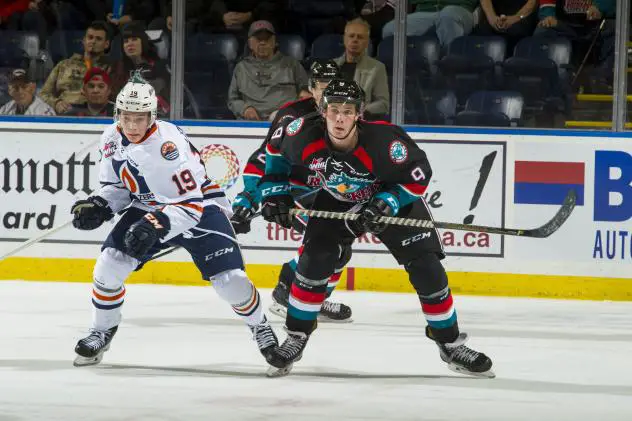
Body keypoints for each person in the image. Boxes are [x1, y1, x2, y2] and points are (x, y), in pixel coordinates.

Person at [259, 79, 494, 378]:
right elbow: (275, 153)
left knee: (427, 268)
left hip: (390, 197)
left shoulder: (386, 142)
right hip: (336, 199)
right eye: (333, 110)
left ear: (359, 114)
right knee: (313, 261)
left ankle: (449, 343)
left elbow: (418, 176)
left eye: (347, 111)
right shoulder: (300, 133)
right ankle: (296, 337)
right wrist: (275, 193)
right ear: (322, 110)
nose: (340, 118)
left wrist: (387, 203)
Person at [70, 73, 278, 367]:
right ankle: (101, 330)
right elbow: (118, 188)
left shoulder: (167, 148)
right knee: (109, 264)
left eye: (139, 118)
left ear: (152, 116)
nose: (131, 125)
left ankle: (261, 327)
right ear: (117, 114)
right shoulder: (111, 137)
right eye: (126, 117)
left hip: (198, 207)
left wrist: (155, 225)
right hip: (149, 208)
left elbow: (189, 205)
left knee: (231, 282)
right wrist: (101, 204)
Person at [230, 59, 353, 323]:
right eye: (323, 86)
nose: (328, 91)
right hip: (291, 195)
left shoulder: (349, 115)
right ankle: (286, 292)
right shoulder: (291, 116)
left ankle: (315, 297)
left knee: (342, 247)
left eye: (333, 85)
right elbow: (263, 160)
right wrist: (249, 198)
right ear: (312, 87)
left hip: (326, 195)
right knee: (328, 244)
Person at [228, 20, 309, 121]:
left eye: (267, 39)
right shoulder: (241, 68)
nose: (262, 42)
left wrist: (305, 95)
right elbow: (233, 99)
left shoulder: (292, 64)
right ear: (250, 43)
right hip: (252, 123)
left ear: (274, 41)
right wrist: (245, 109)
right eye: (258, 39)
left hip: (286, 120)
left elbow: (307, 92)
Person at [40, 20, 111, 115]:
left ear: (106, 44)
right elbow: (43, 94)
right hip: (64, 114)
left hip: (95, 116)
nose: (93, 41)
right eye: (90, 37)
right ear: (84, 40)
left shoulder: (110, 68)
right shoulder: (64, 65)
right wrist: (56, 103)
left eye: (98, 39)